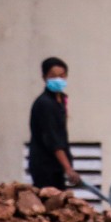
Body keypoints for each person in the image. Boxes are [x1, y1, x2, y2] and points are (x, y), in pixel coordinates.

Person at [28, 57, 78, 191]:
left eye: (62, 76)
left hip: (56, 166)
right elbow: (53, 139)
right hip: (45, 165)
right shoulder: (45, 104)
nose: (58, 80)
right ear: (44, 77)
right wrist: (68, 168)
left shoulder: (60, 100)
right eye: (53, 76)